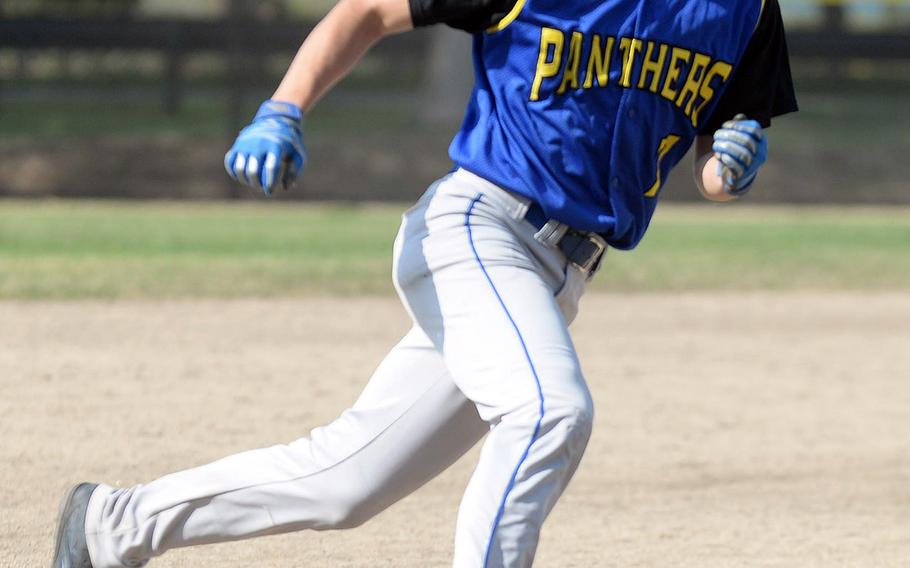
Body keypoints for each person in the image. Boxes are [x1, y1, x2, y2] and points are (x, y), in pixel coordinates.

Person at [51, 0, 797, 566]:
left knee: (345, 482)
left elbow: (711, 159)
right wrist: (282, 109)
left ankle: (113, 524)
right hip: (477, 229)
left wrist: (727, 167)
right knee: (549, 412)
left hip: (561, 274)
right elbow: (369, 10)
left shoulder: (748, 10)